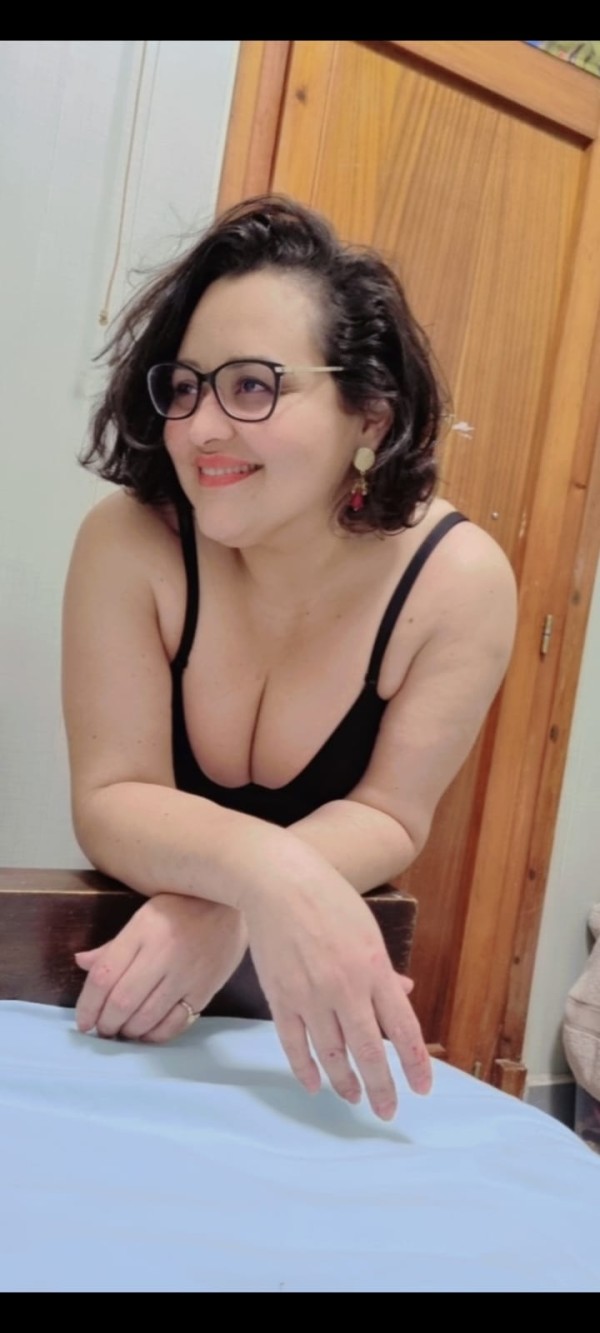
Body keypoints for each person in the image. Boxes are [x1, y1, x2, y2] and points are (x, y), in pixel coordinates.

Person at [61, 194, 517, 1121]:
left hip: (296, 1042)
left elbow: (389, 812)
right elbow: (111, 795)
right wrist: (262, 879)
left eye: (253, 385)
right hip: (130, 1017)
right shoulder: (129, 540)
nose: (201, 428)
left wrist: (227, 907)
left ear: (371, 417)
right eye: (185, 386)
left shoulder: (457, 581)